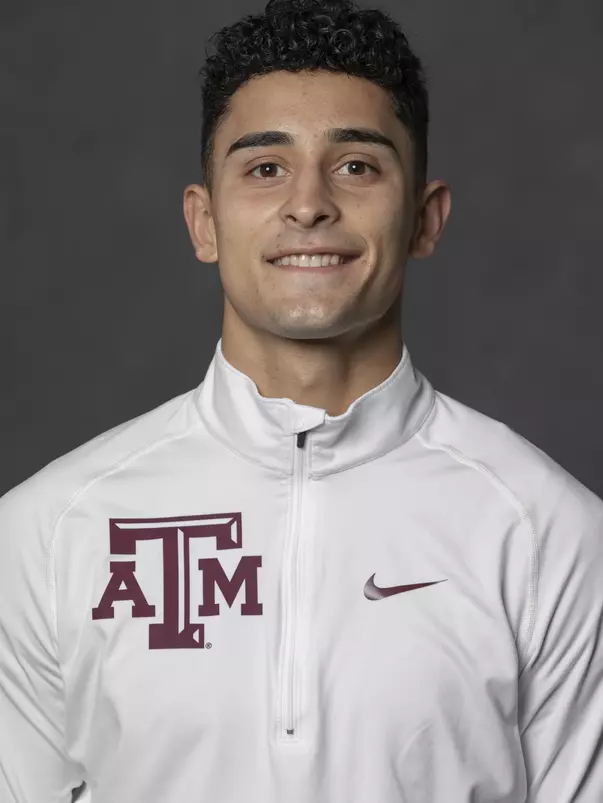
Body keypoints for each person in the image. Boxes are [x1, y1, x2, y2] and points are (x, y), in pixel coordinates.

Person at [1, 0, 602, 800]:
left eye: (356, 165)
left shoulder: (551, 534)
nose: (308, 203)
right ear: (203, 221)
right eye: (264, 167)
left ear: (424, 218)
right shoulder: (46, 532)